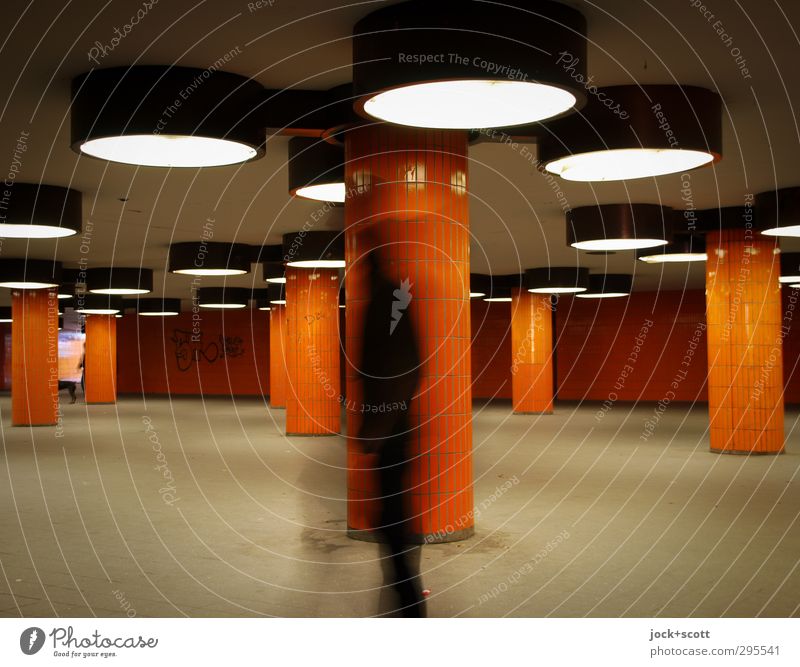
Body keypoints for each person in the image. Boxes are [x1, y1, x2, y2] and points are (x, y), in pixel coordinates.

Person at [357, 245, 426, 617]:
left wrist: (378, 425)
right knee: (391, 515)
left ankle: (411, 606)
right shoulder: (386, 297)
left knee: (392, 519)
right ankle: (407, 600)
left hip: (392, 433)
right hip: (393, 430)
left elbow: (402, 368)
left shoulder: (388, 299)